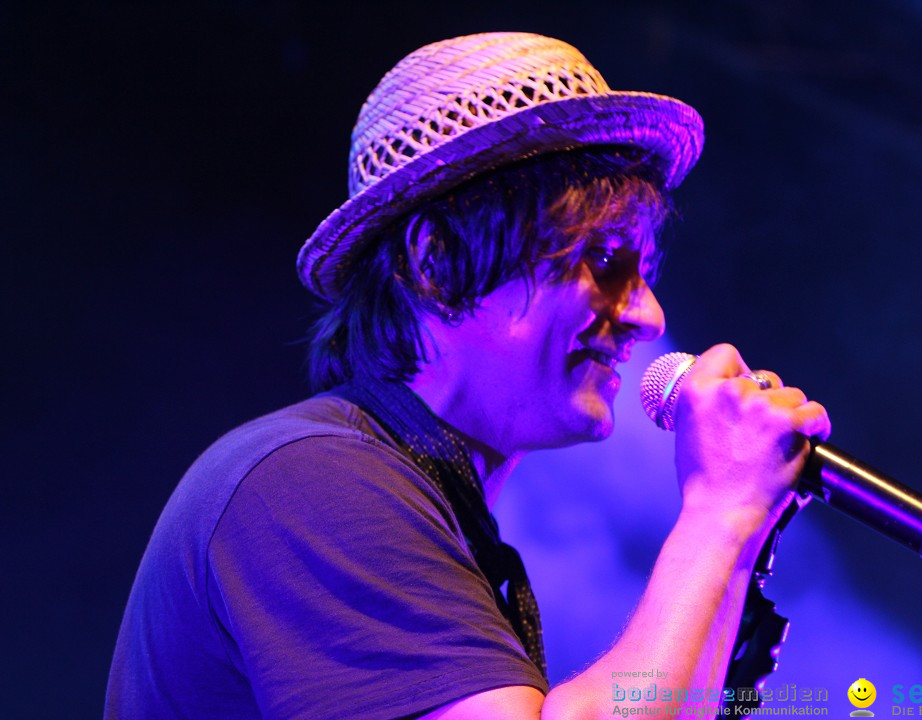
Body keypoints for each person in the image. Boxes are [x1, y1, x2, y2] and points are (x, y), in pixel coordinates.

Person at [105, 32, 830, 719]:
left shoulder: (424, 511)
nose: (647, 315)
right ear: (438, 260)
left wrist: (737, 544)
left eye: (645, 270)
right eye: (606, 258)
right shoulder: (310, 481)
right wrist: (718, 513)